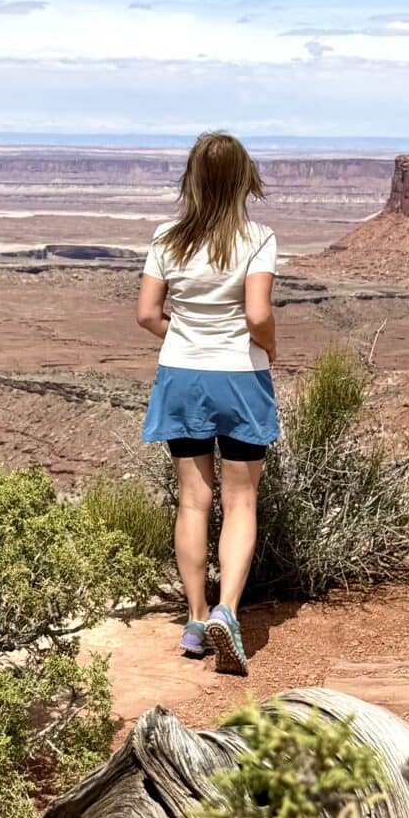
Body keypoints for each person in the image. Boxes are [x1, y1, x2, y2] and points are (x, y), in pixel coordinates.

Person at [136, 132, 279, 675]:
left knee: (194, 500)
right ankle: (228, 612)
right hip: (240, 377)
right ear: (244, 178)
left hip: (183, 376)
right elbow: (258, 314)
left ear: (192, 178)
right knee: (241, 502)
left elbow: (148, 313)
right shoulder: (258, 238)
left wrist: (184, 338)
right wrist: (270, 347)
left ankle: (195, 620)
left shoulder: (166, 238)